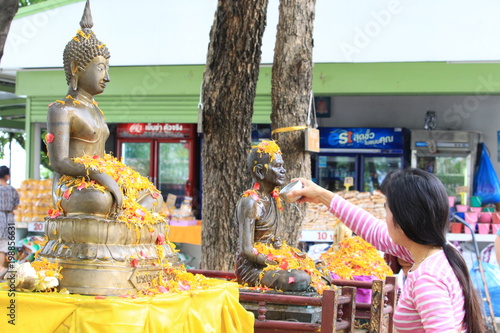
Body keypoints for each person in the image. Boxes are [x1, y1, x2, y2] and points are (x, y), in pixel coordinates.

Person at [290, 168, 485, 333]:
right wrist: (321, 195)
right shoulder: (439, 252)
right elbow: (372, 229)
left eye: (387, 211)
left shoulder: (427, 280)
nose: (385, 219)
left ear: (404, 220)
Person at [45, 0, 162, 220]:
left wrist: (111, 177)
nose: (106, 77)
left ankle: (123, 230)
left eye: (107, 69)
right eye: (100, 68)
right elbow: (59, 162)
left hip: (102, 178)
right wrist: (99, 175)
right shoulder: (61, 110)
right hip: (75, 185)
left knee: (154, 197)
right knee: (99, 200)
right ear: (75, 68)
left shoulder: (96, 110)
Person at [235, 140, 330, 292]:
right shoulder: (250, 202)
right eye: (278, 166)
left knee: (322, 269)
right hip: (254, 269)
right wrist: (274, 261)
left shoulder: (274, 198)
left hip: (273, 262)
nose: (284, 171)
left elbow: (275, 243)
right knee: (300, 278)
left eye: (282, 166)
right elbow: (247, 249)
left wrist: (290, 255)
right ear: (260, 171)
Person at [0, 166, 19, 279]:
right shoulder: (11, 189)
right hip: (8, 218)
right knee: (3, 246)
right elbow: (16, 204)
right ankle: (2, 269)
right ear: (7, 176)